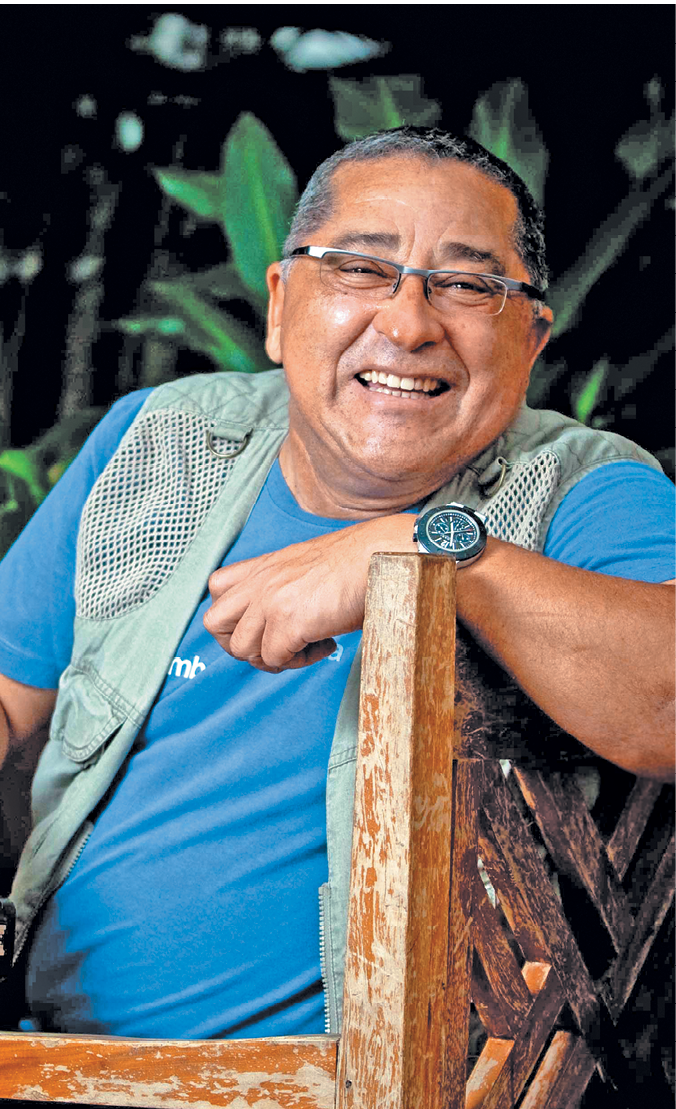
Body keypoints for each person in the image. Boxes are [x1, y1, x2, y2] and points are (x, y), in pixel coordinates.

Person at [0, 128, 673, 1041]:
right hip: (52, 1060)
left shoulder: (586, 487)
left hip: (361, 1079)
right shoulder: (161, 443)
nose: (407, 323)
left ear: (530, 336)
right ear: (281, 305)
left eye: (470, 284)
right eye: (360, 267)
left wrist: (434, 552)